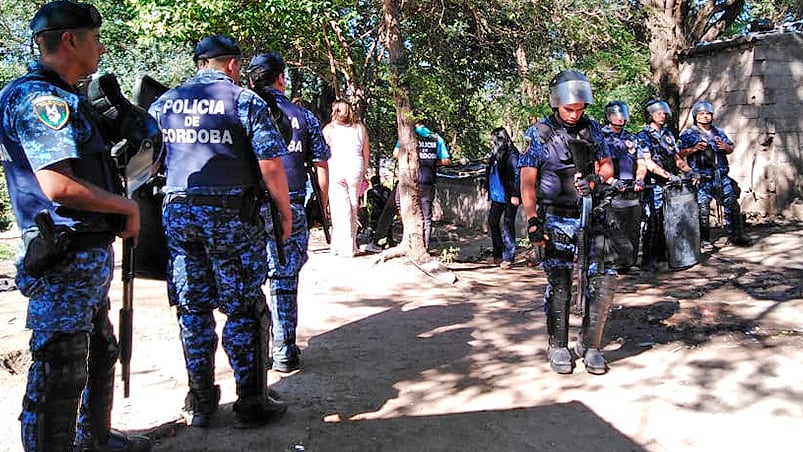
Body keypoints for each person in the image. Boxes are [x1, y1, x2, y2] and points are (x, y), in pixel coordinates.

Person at [0, 2, 150, 450]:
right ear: (70, 40)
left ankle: (95, 440)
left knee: (99, 351)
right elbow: (57, 185)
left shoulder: (64, 96)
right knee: (60, 370)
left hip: (82, 255)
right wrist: (126, 206)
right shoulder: (41, 99)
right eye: (95, 38)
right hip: (63, 253)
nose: (101, 47)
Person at [148, 35, 292, 429]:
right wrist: (284, 211)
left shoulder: (163, 104)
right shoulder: (243, 100)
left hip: (178, 217)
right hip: (231, 219)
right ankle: (250, 402)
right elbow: (271, 164)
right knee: (244, 308)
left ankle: (200, 400)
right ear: (231, 65)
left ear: (199, 63)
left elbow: (147, 163)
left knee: (193, 309)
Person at [519, 70, 618, 375]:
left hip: (591, 214)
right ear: (556, 104)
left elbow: (607, 167)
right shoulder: (540, 134)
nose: (575, 114)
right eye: (569, 109)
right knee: (560, 283)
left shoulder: (593, 130)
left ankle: (591, 345)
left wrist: (595, 179)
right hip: (555, 217)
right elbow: (527, 181)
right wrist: (533, 220)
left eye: (580, 109)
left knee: (602, 280)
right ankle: (558, 344)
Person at [246, 52, 331, 373]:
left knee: (250, 279)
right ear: (280, 78)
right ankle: (284, 348)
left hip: (248, 207)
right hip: (291, 204)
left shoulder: (243, 110)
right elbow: (321, 166)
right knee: (284, 278)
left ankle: (258, 351)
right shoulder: (304, 116)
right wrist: (320, 207)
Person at [679, 101, 751, 247]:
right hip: (701, 176)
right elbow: (678, 153)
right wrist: (693, 149)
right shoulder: (688, 133)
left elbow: (730, 148)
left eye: (708, 114)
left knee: (732, 204)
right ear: (696, 116)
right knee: (703, 208)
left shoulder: (718, 131)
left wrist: (726, 147)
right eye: (702, 114)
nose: (705, 117)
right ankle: (704, 240)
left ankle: (736, 236)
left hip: (720, 174)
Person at [636, 99, 693, 270]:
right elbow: (648, 162)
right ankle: (648, 260)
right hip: (654, 185)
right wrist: (667, 175)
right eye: (658, 113)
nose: (663, 116)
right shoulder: (643, 135)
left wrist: (689, 172)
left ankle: (663, 256)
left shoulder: (668, 134)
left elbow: (676, 158)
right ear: (650, 115)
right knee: (653, 220)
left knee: (669, 221)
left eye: (664, 113)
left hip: (670, 184)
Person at [600, 100, 648, 270]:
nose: (620, 118)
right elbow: (595, 165)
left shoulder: (631, 138)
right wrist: (611, 181)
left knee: (632, 226)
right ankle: (611, 264)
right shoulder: (601, 137)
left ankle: (629, 263)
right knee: (613, 227)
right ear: (608, 116)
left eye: (622, 114)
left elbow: (641, 162)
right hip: (609, 189)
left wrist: (640, 178)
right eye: (616, 115)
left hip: (631, 189)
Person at [322, 100, 370, 257]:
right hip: (355, 167)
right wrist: (363, 172)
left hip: (335, 166)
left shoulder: (328, 129)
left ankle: (338, 246)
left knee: (337, 207)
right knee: (353, 205)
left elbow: (322, 152)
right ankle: (350, 246)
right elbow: (366, 153)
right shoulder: (360, 128)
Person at [484, 127, 521, 269]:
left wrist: (516, 194)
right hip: (497, 195)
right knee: (492, 221)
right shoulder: (495, 153)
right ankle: (497, 253)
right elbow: (490, 170)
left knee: (508, 225)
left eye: (492, 138)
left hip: (510, 195)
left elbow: (518, 174)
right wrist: (486, 185)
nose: (490, 141)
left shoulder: (512, 154)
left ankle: (508, 257)